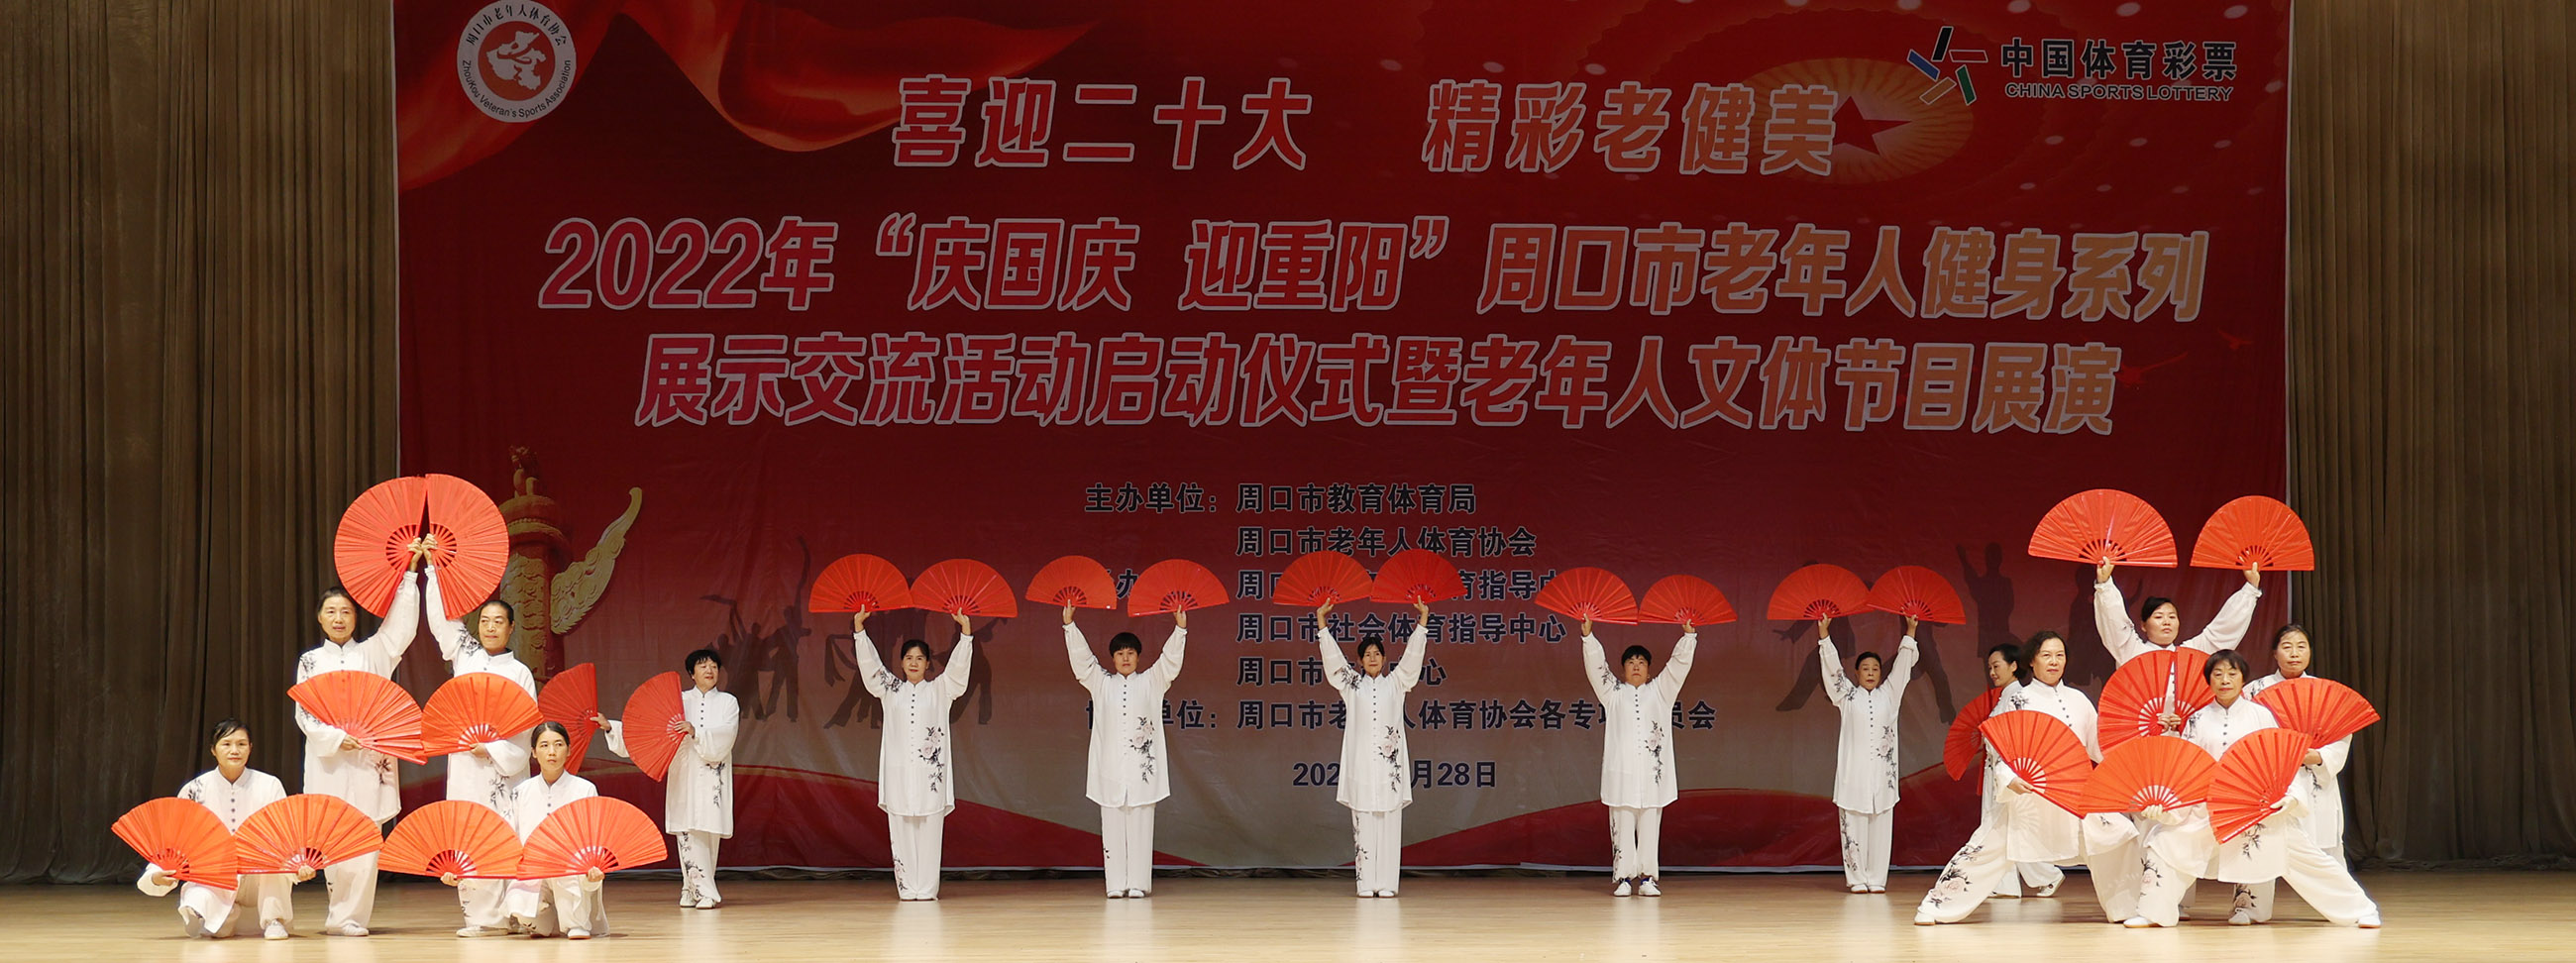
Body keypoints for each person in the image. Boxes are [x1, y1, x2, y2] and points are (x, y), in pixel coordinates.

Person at [2124, 650, 2381, 928]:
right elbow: (2187, 767)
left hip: (2256, 806)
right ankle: (2153, 912)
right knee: (2166, 842)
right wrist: (2168, 805)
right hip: (2208, 806)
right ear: (2209, 681)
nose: (2225, 680)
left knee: (2306, 858)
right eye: (2217, 674)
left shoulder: (2261, 715)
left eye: (2232, 673)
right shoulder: (2197, 720)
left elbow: (2279, 759)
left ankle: (2360, 909)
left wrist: (2290, 796)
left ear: (2242, 679)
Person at [1916, 631, 2141, 925]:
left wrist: (2128, 765)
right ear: (2032, 661)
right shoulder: (2018, 698)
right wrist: (2008, 776)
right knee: (1985, 849)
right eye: (2046, 655)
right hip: (2030, 793)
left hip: (2074, 792)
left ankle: (2126, 908)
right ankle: (1937, 906)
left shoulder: (2078, 699)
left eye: (2059, 655)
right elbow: (1998, 744)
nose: (2054, 661)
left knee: (2120, 836)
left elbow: (2098, 745)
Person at [291, 537, 430, 936]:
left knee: (367, 837)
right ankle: (337, 912)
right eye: (331, 611)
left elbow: (401, 628)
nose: (339, 618)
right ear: (319, 618)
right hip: (330, 761)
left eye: (346, 611)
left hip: (370, 758)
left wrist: (410, 574)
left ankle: (352, 918)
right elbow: (304, 712)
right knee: (332, 833)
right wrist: (336, 738)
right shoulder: (311, 661)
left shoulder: (373, 653)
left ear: (356, 617)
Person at [426, 595, 539, 937]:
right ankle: (480, 918)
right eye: (485, 621)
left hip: (503, 769)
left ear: (512, 628)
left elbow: (525, 729)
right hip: (465, 765)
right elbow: (442, 622)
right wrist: (433, 573)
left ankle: (510, 913)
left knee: (505, 833)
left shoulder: (520, 673)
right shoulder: (466, 656)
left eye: (498, 621)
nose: (490, 628)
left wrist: (490, 746)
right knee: (469, 831)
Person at [595, 648, 740, 909]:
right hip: (683, 772)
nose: (709, 670)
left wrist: (696, 732)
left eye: (713, 666)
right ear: (692, 673)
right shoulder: (678, 701)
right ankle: (705, 892)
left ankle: (690, 887)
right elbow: (647, 732)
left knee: (708, 834)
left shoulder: (728, 702)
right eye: (703, 666)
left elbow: (727, 733)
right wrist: (612, 727)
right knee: (687, 830)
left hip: (712, 775)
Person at [2233, 623, 2353, 922]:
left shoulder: (2325, 692)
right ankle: (2249, 906)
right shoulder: (2254, 691)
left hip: (2313, 776)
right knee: (2259, 839)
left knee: (2324, 846)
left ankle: (2345, 906)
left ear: (2310, 652)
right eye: (2286, 647)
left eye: (2301, 646)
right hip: (2271, 778)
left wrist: (2318, 756)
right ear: (2274, 653)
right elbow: (2241, 730)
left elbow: (2341, 734)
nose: (2294, 653)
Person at [136, 719, 298, 939]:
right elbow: (175, 842)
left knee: (275, 858)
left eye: (241, 744)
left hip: (258, 877)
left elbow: (285, 835)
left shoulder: (269, 785)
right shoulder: (194, 790)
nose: (234, 750)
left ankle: (273, 920)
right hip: (217, 877)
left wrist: (298, 866)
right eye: (226, 744)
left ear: (250, 748)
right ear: (213, 749)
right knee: (217, 929)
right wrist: (155, 875)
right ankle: (223, 916)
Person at [853, 609, 976, 901]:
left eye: (919, 658)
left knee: (930, 831)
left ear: (928, 663)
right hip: (899, 772)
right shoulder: (891, 689)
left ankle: (927, 888)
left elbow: (958, 670)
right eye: (908, 658)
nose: (913, 662)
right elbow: (871, 667)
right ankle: (907, 887)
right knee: (901, 829)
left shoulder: (940, 690)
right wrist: (859, 630)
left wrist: (966, 633)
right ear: (901, 662)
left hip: (930, 776)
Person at [1065, 606, 1186, 898]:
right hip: (1110, 769)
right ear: (1113, 658)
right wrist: (1069, 625)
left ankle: (1138, 884)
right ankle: (1116, 884)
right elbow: (1083, 662)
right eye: (1120, 653)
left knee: (1141, 827)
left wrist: (1180, 629)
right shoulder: (1102, 683)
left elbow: (1169, 661)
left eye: (1131, 653)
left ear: (1138, 657)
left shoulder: (1151, 681)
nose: (1126, 658)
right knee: (1112, 827)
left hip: (1141, 772)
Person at [1318, 600, 1432, 898]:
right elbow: (1333, 662)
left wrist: (1422, 621)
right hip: (1363, 766)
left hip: (1389, 770)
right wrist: (1322, 625)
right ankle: (1366, 883)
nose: (1372, 658)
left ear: (1384, 659)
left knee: (1390, 824)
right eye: (1367, 654)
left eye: (1376, 654)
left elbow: (1412, 659)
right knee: (1364, 823)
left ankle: (1388, 884)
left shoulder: (1396, 683)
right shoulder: (1352, 685)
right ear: (1359, 660)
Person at [1580, 615, 1697, 897]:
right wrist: (1588, 637)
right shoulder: (1613, 694)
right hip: (1621, 773)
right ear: (1623, 670)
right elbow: (1597, 669)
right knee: (1621, 825)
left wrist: (1689, 637)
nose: (1636, 666)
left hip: (1651, 775)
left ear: (1648, 670)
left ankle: (1647, 879)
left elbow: (1677, 668)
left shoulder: (1660, 692)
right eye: (1631, 662)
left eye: (1641, 662)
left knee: (1649, 827)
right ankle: (1623, 878)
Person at [1818, 616, 1920, 894]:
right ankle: (1856, 878)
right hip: (1853, 776)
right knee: (1853, 827)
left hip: (1882, 779)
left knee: (1881, 829)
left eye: (1875, 668)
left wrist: (1911, 631)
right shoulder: (1847, 697)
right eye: (1865, 668)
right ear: (1857, 673)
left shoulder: (1890, 694)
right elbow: (1833, 671)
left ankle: (1876, 878)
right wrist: (1824, 636)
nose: (1871, 673)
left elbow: (1902, 666)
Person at [502, 721, 606, 938]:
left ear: (568, 750)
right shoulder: (521, 791)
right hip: (533, 869)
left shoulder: (584, 789)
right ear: (534, 752)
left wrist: (594, 864)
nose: (552, 752)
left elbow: (594, 833)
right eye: (544, 745)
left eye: (558, 745)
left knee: (571, 879)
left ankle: (574, 922)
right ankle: (545, 921)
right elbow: (508, 836)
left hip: (572, 868)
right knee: (523, 908)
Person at [1976, 642, 2063, 900]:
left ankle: (2046, 874)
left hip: (2010, 771)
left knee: (2008, 828)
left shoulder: (2018, 697)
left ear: (2014, 666)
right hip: (1998, 769)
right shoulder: (2005, 696)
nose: (1992, 672)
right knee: (2003, 829)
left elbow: (2018, 736)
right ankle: (2010, 883)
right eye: (1989, 668)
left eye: (1997, 666)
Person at [2093, 560, 2263, 666]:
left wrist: (2250, 589)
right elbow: (2115, 626)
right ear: (2143, 625)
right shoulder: (2133, 652)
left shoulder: (2191, 653)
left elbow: (2222, 631)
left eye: (2172, 617)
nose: (2166, 622)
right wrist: (2104, 584)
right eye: (2158, 617)